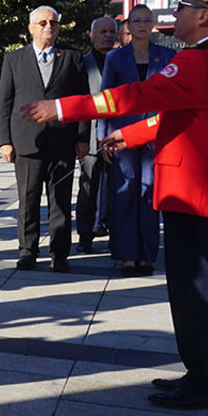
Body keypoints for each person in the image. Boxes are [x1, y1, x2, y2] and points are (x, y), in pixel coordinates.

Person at [22, 0, 208, 410]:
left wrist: (62, 108)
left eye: (184, 7)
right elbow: (182, 115)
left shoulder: (197, 59)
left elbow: (136, 96)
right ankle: (201, 373)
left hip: (197, 199)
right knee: (199, 297)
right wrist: (132, 136)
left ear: (204, 16)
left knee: (197, 298)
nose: (176, 14)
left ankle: (206, 385)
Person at [0, 5, 89, 273]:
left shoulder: (72, 57)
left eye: (54, 23)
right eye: (43, 23)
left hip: (63, 142)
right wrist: (5, 140)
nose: (49, 26)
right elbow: (5, 102)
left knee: (60, 202)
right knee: (28, 200)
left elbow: (83, 102)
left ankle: (60, 254)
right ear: (31, 28)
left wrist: (82, 138)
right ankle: (27, 251)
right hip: (26, 142)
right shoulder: (14, 59)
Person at [99, 4, 174, 276]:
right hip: (121, 136)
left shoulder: (168, 56)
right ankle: (127, 255)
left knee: (149, 193)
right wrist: (101, 135)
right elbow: (105, 98)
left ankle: (147, 255)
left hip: (155, 134)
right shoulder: (115, 59)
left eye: (147, 20)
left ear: (153, 24)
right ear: (128, 25)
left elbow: (171, 97)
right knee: (124, 194)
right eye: (136, 20)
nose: (142, 24)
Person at [76, 17, 117, 254]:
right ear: (92, 35)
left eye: (112, 31)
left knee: (117, 190)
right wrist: (79, 138)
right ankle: (85, 236)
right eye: (102, 31)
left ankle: (116, 235)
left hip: (117, 137)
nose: (108, 35)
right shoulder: (82, 63)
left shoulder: (123, 60)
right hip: (91, 138)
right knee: (88, 189)